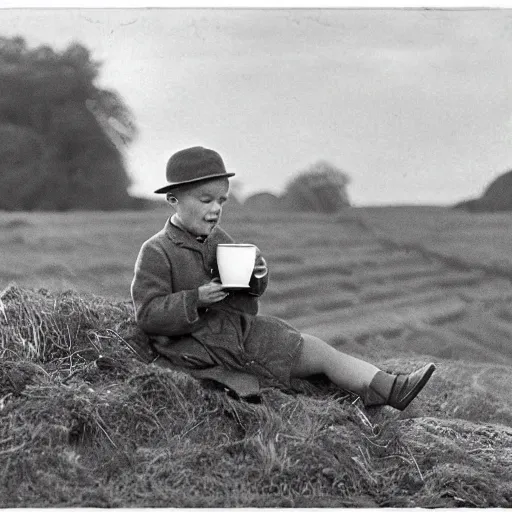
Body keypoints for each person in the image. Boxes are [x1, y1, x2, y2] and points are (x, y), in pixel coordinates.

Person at [131, 146, 435, 410]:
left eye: (221, 201)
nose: (215, 210)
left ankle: (390, 388)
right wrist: (196, 299)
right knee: (299, 362)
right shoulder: (156, 250)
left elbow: (245, 295)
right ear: (173, 199)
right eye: (205, 200)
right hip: (196, 347)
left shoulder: (219, 238)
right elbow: (147, 314)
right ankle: (369, 387)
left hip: (237, 332)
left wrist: (257, 275)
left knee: (314, 348)